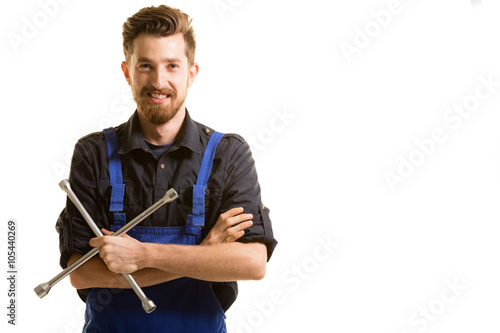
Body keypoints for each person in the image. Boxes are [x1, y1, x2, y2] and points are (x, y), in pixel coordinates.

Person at [55, 4, 277, 332]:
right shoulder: (94, 153)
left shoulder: (227, 154)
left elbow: (252, 262)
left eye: (172, 65)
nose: (159, 81)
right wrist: (203, 256)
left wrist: (144, 255)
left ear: (191, 72)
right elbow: (81, 273)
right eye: (146, 66)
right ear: (127, 71)